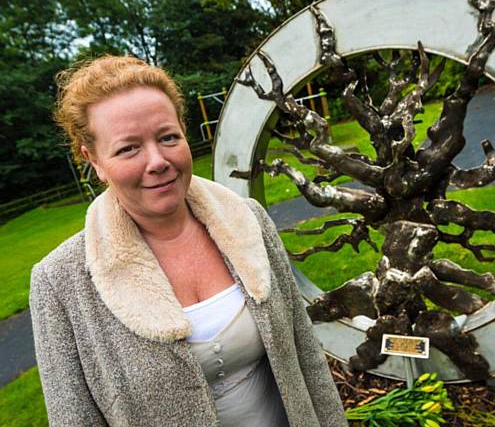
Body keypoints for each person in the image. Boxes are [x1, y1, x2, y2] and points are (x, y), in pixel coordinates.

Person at [29, 55, 348, 427]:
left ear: (184, 131)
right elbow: (74, 419)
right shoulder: (60, 282)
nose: (157, 161)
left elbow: (307, 356)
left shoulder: (249, 221)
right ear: (93, 159)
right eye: (128, 148)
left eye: (167, 137)